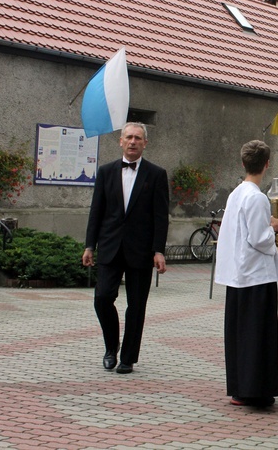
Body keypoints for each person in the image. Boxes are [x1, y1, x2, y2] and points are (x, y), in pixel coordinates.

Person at [82, 122, 169, 375]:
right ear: (120, 141)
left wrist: (158, 250)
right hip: (110, 247)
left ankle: (128, 358)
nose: (133, 142)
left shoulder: (156, 174)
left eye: (138, 138)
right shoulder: (107, 171)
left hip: (141, 251)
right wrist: (90, 245)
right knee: (102, 298)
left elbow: (160, 216)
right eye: (129, 137)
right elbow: (96, 212)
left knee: (136, 305)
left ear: (145, 143)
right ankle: (111, 347)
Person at [215, 140, 278, 408]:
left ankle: (240, 387)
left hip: (239, 275)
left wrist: (265, 225)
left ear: (244, 163)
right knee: (257, 335)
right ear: (266, 164)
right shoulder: (257, 196)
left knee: (240, 334)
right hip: (256, 276)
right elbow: (258, 238)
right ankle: (256, 390)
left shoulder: (236, 193)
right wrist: (275, 228)